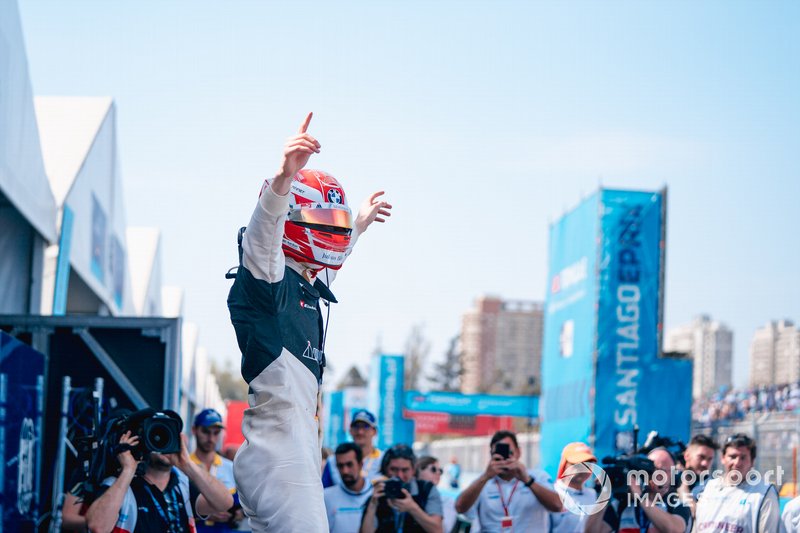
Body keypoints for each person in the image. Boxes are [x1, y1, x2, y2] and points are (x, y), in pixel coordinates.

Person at [227, 112, 391, 531]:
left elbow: (332, 265)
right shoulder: (266, 277)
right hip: (279, 455)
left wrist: (358, 225)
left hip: (290, 452)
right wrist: (284, 176)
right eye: (324, 220)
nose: (330, 231)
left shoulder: (304, 285)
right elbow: (265, 231)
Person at [85, 427, 234, 533]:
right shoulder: (119, 485)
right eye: (158, 435)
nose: (165, 443)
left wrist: (187, 464)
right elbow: (98, 527)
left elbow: (224, 503)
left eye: (169, 436)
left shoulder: (183, 485)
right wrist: (128, 470)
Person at [455, 430, 561, 532]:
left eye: (509, 453)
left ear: (518, 452)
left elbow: (557, 505)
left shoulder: (537, 477)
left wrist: (527, 480)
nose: (504, 458)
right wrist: (485, 477)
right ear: (491, 454)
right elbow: (460, 508)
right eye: (498, 453)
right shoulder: (482, 482)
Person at [694, 433, 780, 533]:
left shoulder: (764, 492)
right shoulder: (708, 488)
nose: (737, 463)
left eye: (743, 458)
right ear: (723, 458)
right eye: (732, 456)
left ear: (752, 462)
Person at [360, 444, 444, 533]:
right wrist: (372, 505)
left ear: (413, 470)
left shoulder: (426, 490)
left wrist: (413, 508)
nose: (399, 475)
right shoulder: (379, 491)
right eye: (394, 469)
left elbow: (437, 530)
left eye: (405, 470)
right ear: (385, 469)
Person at [190, 408, 243, 532]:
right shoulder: (185, 466)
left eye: (216, 432)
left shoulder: (231, 467)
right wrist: (203, 513)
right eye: (205, 431)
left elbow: (243, 507)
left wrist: (236, 515)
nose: (211, 438)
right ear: (194, 430)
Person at [323, 410, 383, 488]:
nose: (360, 432)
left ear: (375, 431)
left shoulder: (384, 459)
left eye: (365, 427)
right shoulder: (333, 461)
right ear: (350, 430)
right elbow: (324, 492)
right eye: (356, 426)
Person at [324, 442, 374, 533]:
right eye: (340, 466)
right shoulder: (326, 497)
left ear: (360, 464)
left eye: (349, 465)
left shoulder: (375, 495)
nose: (345, 471)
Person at [549, 442, 598, 533]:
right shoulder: (552, 493)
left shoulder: (594, 494)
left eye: (588, 464)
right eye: (577, 464)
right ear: (564, 464)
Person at [676, 434, 718, 517]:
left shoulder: (712, 486)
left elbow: (696, 515)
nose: (705, 463)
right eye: (701, 457)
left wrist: (683, 487)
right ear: (687, 456)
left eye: (709, 459)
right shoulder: (671, 476)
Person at [416, 456, 456, 533]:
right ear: (418, 470)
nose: (438, 473)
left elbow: (443, 530)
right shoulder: (408, 494)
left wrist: (412, 508)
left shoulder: (447, 501)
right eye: (433, 469)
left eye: (440, 471)